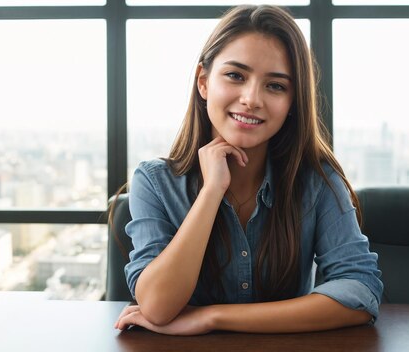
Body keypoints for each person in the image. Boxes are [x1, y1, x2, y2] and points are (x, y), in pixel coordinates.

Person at [114, 4, 382, 335]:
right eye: (236, 76)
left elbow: (360, 292)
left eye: (275, 86)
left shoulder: (316, 180)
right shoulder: (155, 182)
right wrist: (212, 191)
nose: (252, 99)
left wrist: (211, 318)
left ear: (291, 103)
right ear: (203, 82)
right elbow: (157, 305)